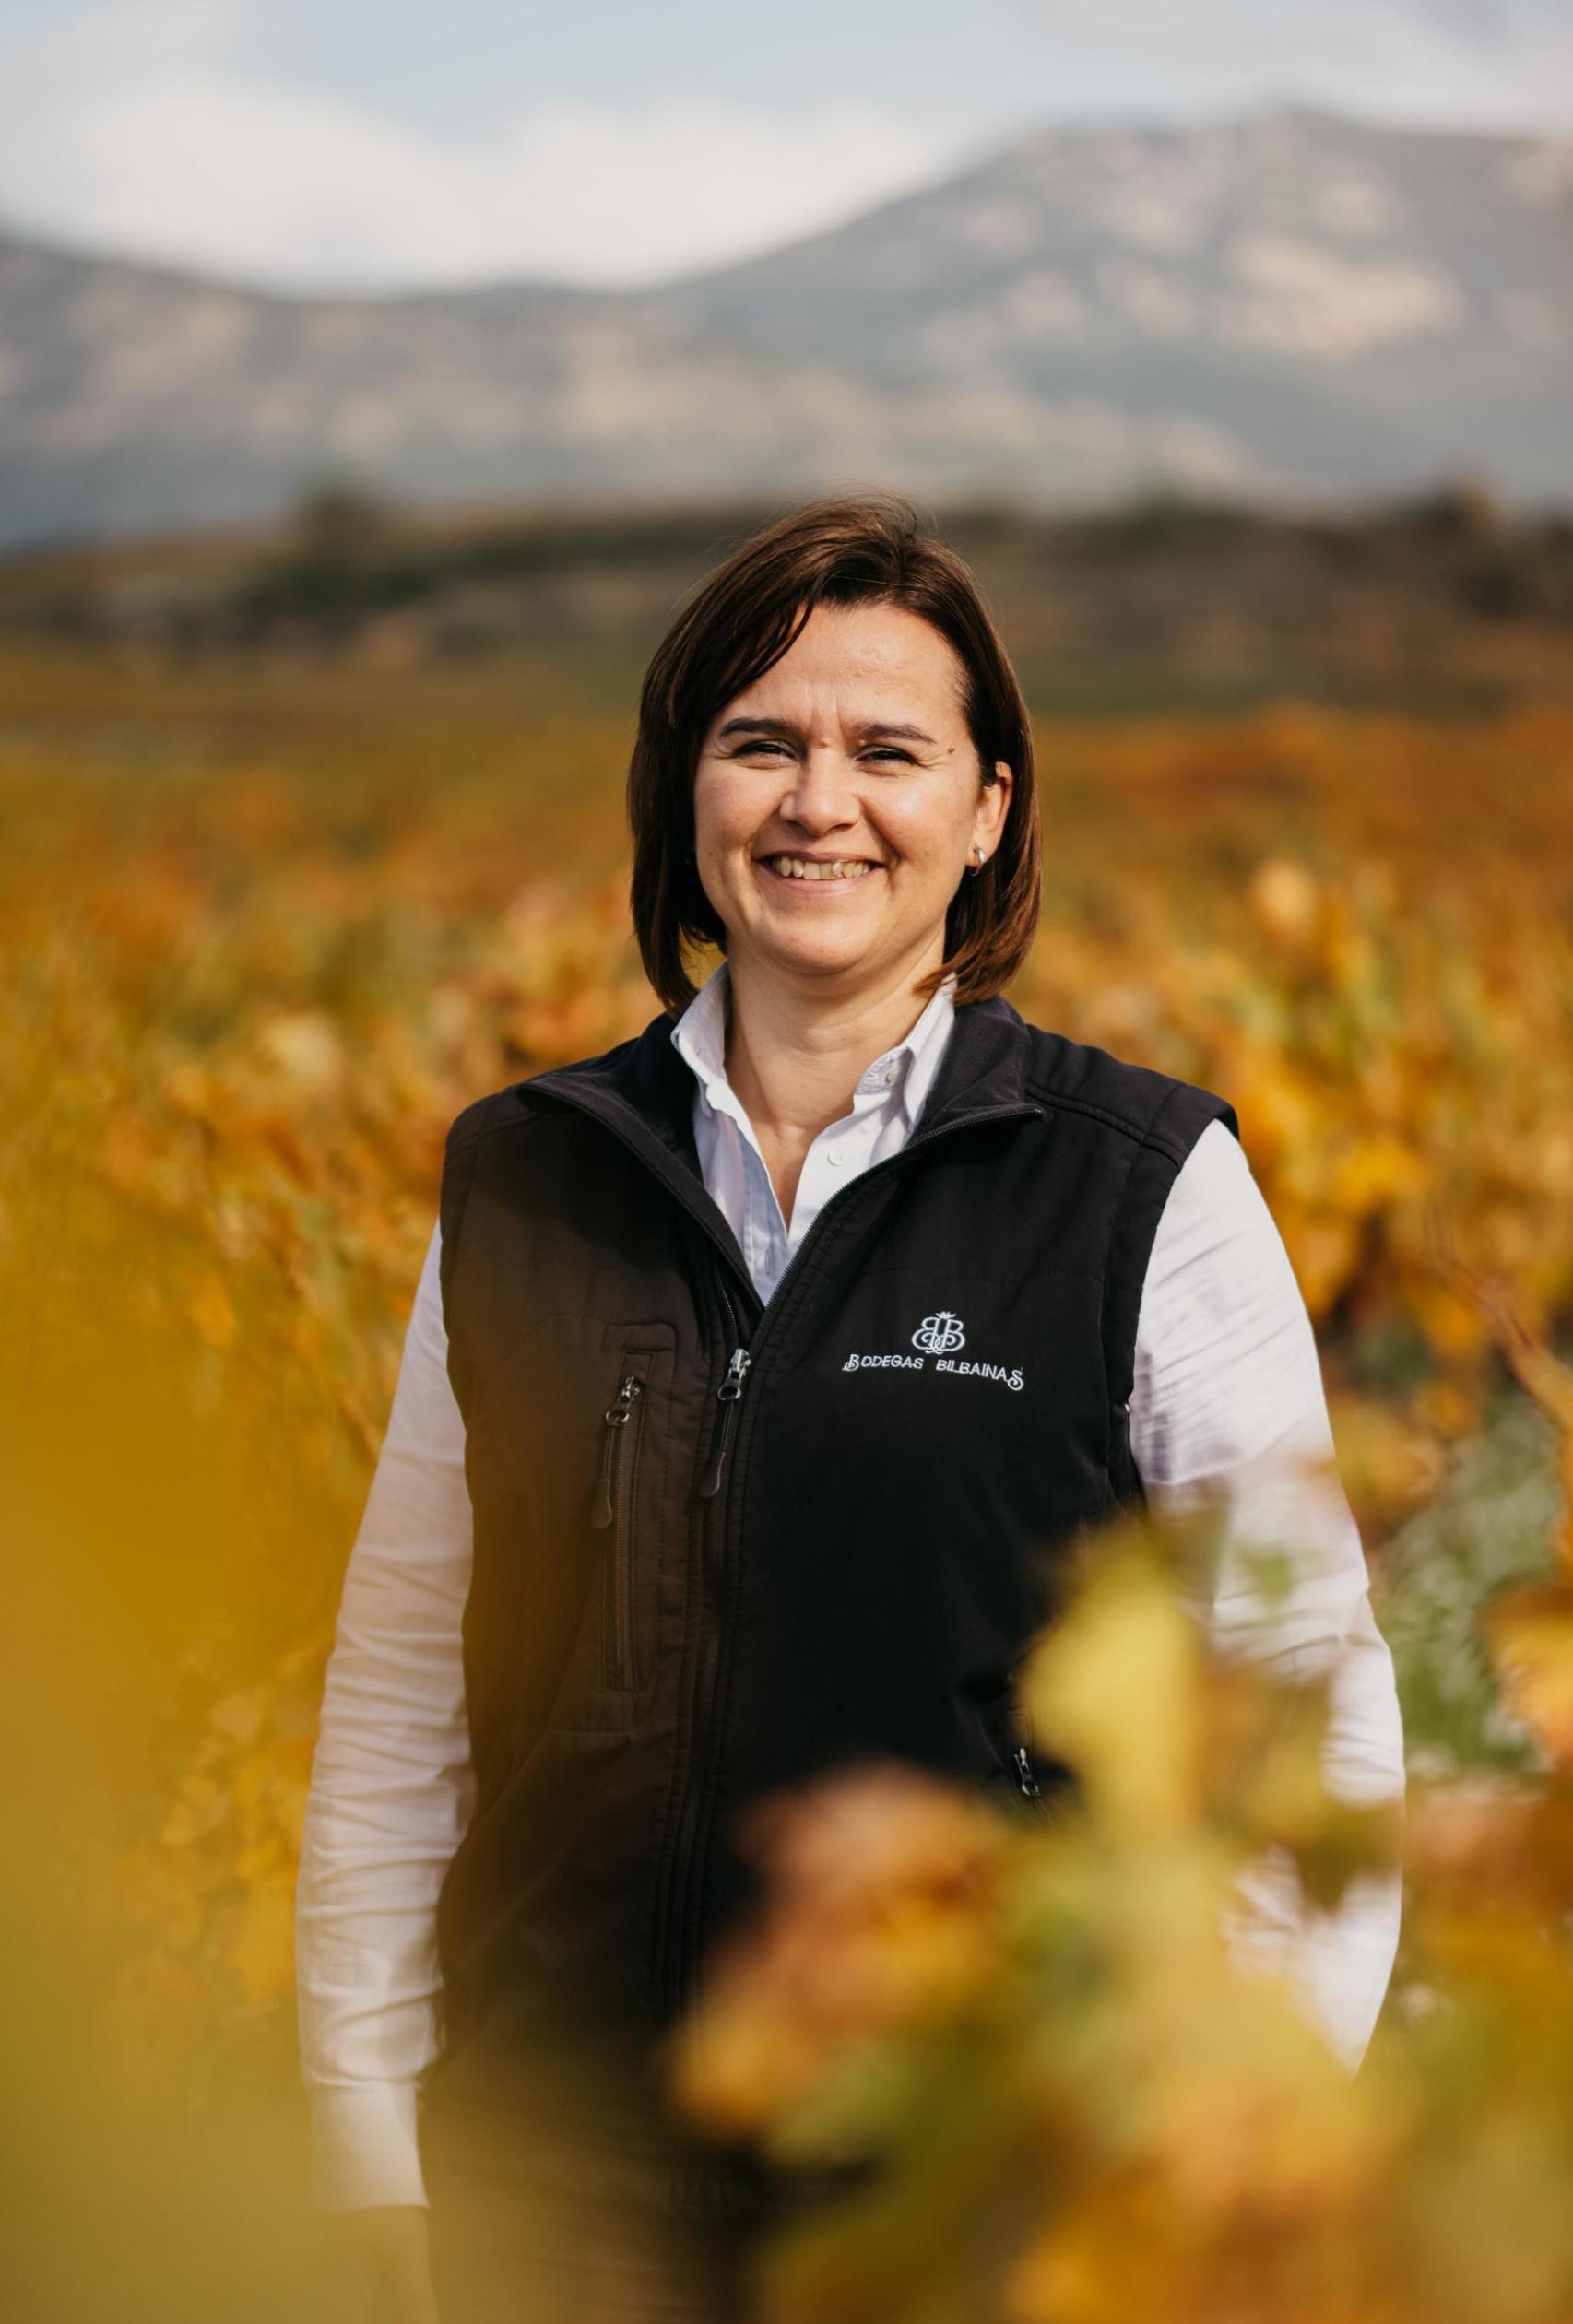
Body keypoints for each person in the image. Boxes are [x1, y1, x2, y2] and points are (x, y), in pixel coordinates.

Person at [295, 494, 1407, 2322]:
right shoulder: (526, 1176)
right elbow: (406, 1681)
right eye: (761, 745)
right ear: (684, 794)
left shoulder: (1138, 1184)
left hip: (976, 2164)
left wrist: (1237, 2158)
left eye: (888, 750)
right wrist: (362, 2138)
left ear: (986, 812)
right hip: (549, 2164)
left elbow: (1302, 1706)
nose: (820, 800)